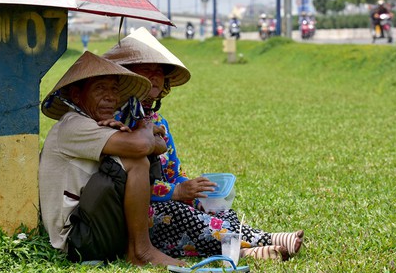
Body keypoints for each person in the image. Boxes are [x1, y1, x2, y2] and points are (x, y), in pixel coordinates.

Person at [103, 28, 304, 261]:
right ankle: (267, 239)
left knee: (216, 211)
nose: (155, 76)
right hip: (134, 214)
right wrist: (175, 193)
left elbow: (172, 172)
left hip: (166, 202)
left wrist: (191, 190)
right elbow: (124, 183)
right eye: (146, 69)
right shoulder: (117, 121)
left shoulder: (158, 122)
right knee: (175, 213)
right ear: (129, 77)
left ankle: (245, 252)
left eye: (159, 71)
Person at [39, 51, 185, 267]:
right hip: (75, 240)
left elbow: (159, 145)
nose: (110, 97)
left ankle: (136, 248)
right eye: (100, 89)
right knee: (135, 160)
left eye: (114, 90)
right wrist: (144, 126)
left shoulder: (95, 123)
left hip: (94, 227)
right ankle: (141, 251)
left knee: (140, 156)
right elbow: (144, 145)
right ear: (77, 96)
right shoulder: (73, 125)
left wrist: (132, 135)